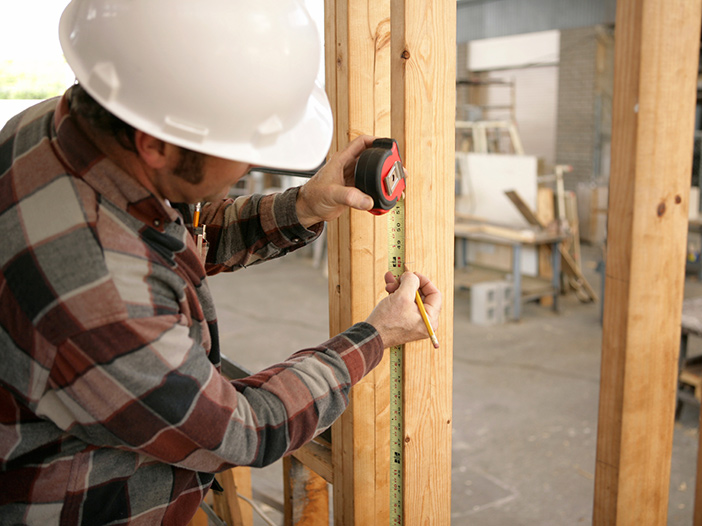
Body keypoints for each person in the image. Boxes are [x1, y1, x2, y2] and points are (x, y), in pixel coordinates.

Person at [0, 1, 441, 524]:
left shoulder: (57, 128)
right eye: (245, 145)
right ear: (156, 145)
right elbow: (246, 430)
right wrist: (376, 335)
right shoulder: (100, 294)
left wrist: (303, 204)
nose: (253, 162)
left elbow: (179, 232)